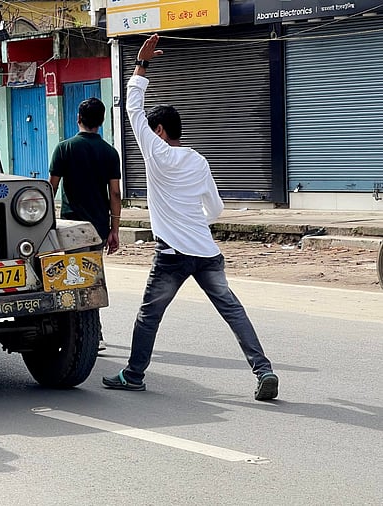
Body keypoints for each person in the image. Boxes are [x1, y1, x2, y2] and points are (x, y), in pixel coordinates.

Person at [102, 34, 279, 401]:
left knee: (148, 317)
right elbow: (215, 210)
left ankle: (134, 375)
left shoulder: (156, 153)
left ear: (160, 131)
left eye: (152, 131)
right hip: (205, 251)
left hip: (172, 255)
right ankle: (263, 370)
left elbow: (133, 108)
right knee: (233, 311)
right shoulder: (198, 160)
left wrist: (142, 66)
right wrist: (194, 221)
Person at [48, 97, 121, 352]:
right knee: (91, 276)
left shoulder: (64, 148)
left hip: (71, 227)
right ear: (102, 121)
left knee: (74, 276)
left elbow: (52, 187)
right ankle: (94, 332)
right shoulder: (110, 152)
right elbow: (115, 194)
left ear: (77, 118)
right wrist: (114, 229)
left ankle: (82, 333)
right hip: (98, 227)